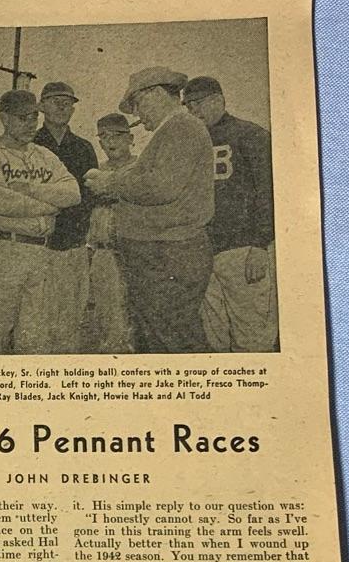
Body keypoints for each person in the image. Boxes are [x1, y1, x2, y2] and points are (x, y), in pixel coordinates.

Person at [84, 66, 214, 353]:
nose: (138, 117)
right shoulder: (173, 130)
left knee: (171, 338)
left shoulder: (181, 127)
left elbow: (161, 187)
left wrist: (111, 183)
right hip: (163, 251)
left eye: (138, 104)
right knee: (162, 335)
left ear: (156, 93)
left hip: (168, 252)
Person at [0, 87, 81, 353]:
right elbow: (1, 202)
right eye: (22, 118)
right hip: (2, 250)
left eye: (33, 118)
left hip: (41, 252)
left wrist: (30, 189)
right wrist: (51, 205)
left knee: (35, 340)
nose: (30, 124)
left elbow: (73, 194)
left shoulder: (45, 155)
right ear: (4, 118)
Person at [183, 75, 278, 352]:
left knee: (252, 336)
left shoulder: (251, 134)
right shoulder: (191, 143)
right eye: (188, 106)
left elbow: (268, 191)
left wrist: (260, 245)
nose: (193, 111)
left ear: (218, 100)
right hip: (204, 251)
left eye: (198, 103)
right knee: (215, 336)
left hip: (243, 250)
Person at [82, 113, 137, 353]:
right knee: (108, 321)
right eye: (104, 136)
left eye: (117, 135)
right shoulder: (94, 172)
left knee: (136, 319)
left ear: (130, 138)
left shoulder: (141, 167)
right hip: (103, 253)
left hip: (136, 251)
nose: (110, 141)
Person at [32, 80, 97, 250]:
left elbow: (89, 195)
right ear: (41, 107)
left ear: (73, 110)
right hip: (36, 236)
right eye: (55, 102)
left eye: (66, 103)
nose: (61, 107)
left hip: (73, 238)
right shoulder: (30, 144)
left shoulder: (84, 148)